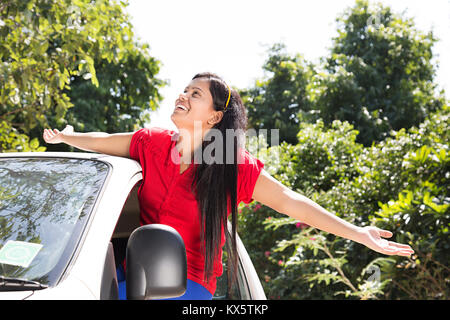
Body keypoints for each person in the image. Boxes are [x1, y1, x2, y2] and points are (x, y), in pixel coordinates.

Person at [43, 72, 414, 300]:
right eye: (184, 89)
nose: (183, 96)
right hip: (136, 270)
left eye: (195, 94)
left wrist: (359, 234)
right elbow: (106, 140)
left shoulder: (228, 163)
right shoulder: (151, 142)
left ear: (215, 117)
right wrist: (69, 137)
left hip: (184, 284)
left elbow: (290, 201)